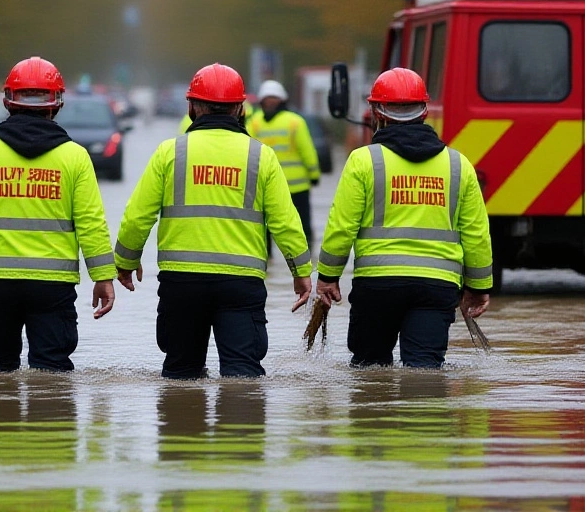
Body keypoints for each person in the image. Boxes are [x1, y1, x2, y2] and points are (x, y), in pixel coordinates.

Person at [114, 63, 312, 379]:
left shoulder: (169, 152)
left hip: (182, 282)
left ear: (192, 107)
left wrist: (125, 262)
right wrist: (300, 271)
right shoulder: (261, 155)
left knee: (181, 376)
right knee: (243, 378)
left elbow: (137, 217)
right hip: (241, 283)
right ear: (240, 109)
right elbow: (286, 222)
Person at [0, 56, 117, 372]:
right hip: (52, 287)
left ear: (7, 101)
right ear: (57, 104)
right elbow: (92, 224)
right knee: (52, 376)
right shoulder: (75, 157)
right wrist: (102, 277)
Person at [315, 67, 492, 368]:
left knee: (370, 371)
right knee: (424, 373)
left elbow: (341, 226)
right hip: (436, 287)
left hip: (377, 285)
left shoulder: (363, 161)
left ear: (376, 112)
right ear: (424, 112)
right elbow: (476, 234)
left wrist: (328, 277)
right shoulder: (458, 165)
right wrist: (478, 286)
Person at [247, 80, 320, 245]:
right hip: (297, 186)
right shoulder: (295, 121)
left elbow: (248, 152)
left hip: (265, 185)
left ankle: (267, 256)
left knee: (263, 227)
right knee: (301, 225)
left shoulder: (254, 123)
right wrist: (314, 174)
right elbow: (307, 150)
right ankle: (306, 252)